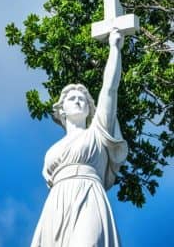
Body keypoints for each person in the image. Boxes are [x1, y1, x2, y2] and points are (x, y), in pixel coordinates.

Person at [31, 29, 128, 247]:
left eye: (82, 98)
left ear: (90, 108)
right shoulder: (52, 151)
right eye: (71, 98)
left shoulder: (97, 132)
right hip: (57, 202)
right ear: (61, 110)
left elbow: (109, 90)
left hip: (89, 193)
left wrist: (115, 49)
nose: (77, 101)